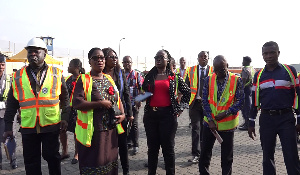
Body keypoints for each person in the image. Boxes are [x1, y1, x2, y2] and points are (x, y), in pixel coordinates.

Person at [3, 38, 70, 175]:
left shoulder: (56, 73)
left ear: (44, 53)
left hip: (50, 125)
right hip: (29, 127)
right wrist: (8, 126)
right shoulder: (18, 76)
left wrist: (65, 117)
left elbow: (65, 98)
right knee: (31, 161)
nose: (32, 54)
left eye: (36, 51)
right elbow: (11, 104)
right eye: (30, 51)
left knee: (52, 157)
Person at [248, 41, 300, 175]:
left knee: (291, 156)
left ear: (278, 53)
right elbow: (254, 99)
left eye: (272, 52)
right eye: (265, 53)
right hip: (266, 120)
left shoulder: (289, 71)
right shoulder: (258, 75)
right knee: (267, 158)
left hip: (286, 119)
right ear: (262, 55)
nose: (269, 56)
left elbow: (298, 95)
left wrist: (299, 118)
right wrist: (251, 121)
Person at [72, 47, 125, 175]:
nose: (99, 60)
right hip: (94, 132)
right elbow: (77, 103)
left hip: (111, 129)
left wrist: (123, 114)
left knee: (110, 163)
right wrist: (100, 103)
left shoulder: (109, 79)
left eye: (102, 57)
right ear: (89, 61)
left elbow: (118, 100)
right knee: (95, 164)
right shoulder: (83, 79)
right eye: (95, 58)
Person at [142, 49, 190, 175]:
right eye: (156, 57)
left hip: (168, 116)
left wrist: (180, 108)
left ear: (167, 60)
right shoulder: (149, 76)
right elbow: (144, 92)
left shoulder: (174, 77)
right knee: (152, 149)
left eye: (161, 57)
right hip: (150, 117)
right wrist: (138, 99)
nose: (158, 59)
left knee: (168, 149)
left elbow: (187, 91)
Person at [198, 55, 244, 175]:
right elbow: (205, 101)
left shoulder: (237, 80)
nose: (218, 73)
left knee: (227, 158)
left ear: (227, 66)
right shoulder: (208, 79)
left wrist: (226, 113)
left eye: (222, 70)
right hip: (210, 124)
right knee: (204, 155)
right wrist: (210, 120)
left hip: (227, 126)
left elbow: (240, 101)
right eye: (216, 70)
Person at [103, 47, 133, 175]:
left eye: (116, 57)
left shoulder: (120, 72)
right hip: (104, 115)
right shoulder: (99, 73)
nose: (115, 59)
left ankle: (126, 170)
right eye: (111, 57)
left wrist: (129, 114)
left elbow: (126, 93)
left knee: (122, 144)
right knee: (107, 145)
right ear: (104, 58)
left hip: (120, 114)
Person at [185, 51, 213, 163]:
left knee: (205, 129)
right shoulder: (191, 70)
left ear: (208, 58)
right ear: (198, 58)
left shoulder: (212, 70)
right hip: (194, 104)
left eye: (205, 57)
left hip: (207, 105)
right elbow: (186, 86)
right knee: (195, 128)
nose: (203, 58)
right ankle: (195, 153)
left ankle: (204, 151)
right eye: (201, 57)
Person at [59, 59, 85, 164]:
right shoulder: (68, 79)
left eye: (69, 65)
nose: (67, 67)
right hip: (68, 109)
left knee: (76, 133)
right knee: (62, 130)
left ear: (76, 67)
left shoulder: (83, 79)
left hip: (78, 110)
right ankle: (65, 151)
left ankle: (77, 153)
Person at [122, 55, 143, 155]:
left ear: (131, 63)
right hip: (123, 105)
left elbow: (142, 89)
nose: (127, 64)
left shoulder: (136, 74)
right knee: (124, 124)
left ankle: (136, 145)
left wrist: (139, 100)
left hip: (134, 104)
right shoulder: (120, 75)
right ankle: (128, 142)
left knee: (134, 124)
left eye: (129, 62)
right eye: (125, 62)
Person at [0, 54, 17, 170]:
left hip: (7, 113)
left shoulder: (9, 79)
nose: (1, 67)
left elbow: (16, 96)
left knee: (10, 137)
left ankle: (13, 160)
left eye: (2, 64)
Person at [239, 56, 255, 131]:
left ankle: (247, 124)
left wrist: (240, 88)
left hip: (245, 89)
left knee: (245, 107)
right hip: (250, 88)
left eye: (243, 60)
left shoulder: (245, 69)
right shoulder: (252, 68)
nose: (242, 62)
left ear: (246, 61)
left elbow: (244, 80)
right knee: (248, 105)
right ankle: (246, 122)